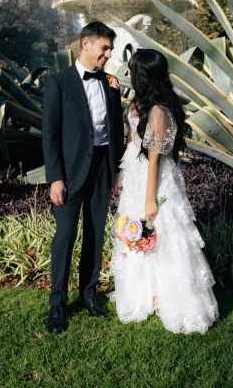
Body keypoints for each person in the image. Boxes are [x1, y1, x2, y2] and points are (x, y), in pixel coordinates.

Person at [108, 49, 218, 334]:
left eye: (133, 70)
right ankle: (147, 294)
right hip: (135, 173)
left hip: (154, 180)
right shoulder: (138, 102)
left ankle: (170, 297)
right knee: (139, 236)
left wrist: (150, 199)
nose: (129, 74)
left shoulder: (159, 110)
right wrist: (121, 172)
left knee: (164, 236)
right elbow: (130, 140)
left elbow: (154, 159)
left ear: (143, 75)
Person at [42, 21, 124, 334]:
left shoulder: (111, 82)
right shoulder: (58, 82)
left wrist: (116, 169)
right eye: (105, 48)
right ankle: (57, 305)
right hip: (70, 171)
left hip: (102, 168)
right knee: (65, 236)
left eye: (110, 48)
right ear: (86, 44)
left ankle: (89, 295)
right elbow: (50, 135)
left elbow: (116, 128)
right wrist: (55, 178)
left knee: (95, 234)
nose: (109, 54)